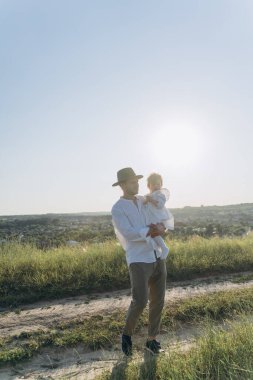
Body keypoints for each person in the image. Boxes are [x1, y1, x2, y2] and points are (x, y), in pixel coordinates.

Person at [111, 167, 168, 356]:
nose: (137, 184)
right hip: (138, 259)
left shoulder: (143, 200)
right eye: (133, 182)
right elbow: (128, 233)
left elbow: (157, 214)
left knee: (158, 300)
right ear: (123, 185)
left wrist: (161, 228)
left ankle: (151, 340)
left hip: (157, 255)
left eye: (137, 181)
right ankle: (127, 335)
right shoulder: (118, 208)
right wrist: (151, 231)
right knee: (140, 301)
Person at [143, 172, 174, 256]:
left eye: (158, 184)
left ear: (161, 185)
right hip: (150, 219)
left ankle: (164, 248)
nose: (156, 186)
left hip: (158, 219)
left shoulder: (160, 195)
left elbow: (160, 205)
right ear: (148, 186)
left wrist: (151, 200)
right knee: (150, 236)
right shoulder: (147, 196)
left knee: (154, 234)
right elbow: (143, 205)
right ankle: (157, 250)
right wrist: (146, 201)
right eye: (153, 184)